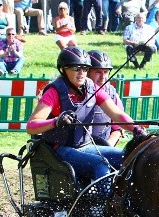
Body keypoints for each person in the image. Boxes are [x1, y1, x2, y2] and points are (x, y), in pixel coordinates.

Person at [26, 47, 145, 189]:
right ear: (64, 69)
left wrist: (136, 128)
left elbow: (116, 114)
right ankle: (102, 206)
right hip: (60, 150)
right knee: (100, 165)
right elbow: (31, 125)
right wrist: (56, 121)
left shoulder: (92, 89)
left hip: (86, 146)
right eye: (76, 68)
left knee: (128, 157)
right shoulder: (53, 92)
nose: (81, 73)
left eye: (85, 68)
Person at [87, 50, 132, 146]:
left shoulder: (112, 95)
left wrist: (108, 146)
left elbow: (117, 129)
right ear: (87, 72)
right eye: (98, 72)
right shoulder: (76, 94)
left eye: (106, 72)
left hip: (103, 146)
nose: (103, 77)